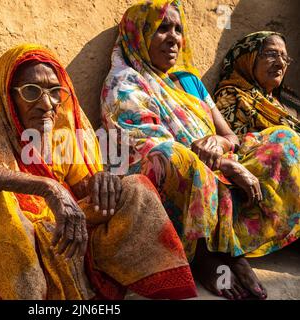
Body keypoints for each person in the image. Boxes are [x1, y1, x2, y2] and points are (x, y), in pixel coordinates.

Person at [0, 44, 197, 300]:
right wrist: (45, 187)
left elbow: (84, 193)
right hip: (10, 257)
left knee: (134, 188)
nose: (47, 104)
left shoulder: (63, 139)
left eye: (55, 92)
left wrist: (103, 184)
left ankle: (151, 289)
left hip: (60, 243)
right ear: (8, 96)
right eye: (31, 91)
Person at [101, 0, 300, 300]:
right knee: (173, 157)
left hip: (219, 166)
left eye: (178, 29)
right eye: (162, 28)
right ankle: (205, 252)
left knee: (285, 140)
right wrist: (223, 164)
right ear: (138, 34)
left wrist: (220, 144)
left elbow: (231, 136)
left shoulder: (189, 81)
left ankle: (231, 245)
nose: (173, 38)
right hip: (182, 179)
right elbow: (143, 143)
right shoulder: (125, 82)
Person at [214, 31, 300, 136]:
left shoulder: (290, 99)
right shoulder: (233, 97)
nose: (281, 63)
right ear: (247, 59)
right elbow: (238, 143)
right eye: (271, 54)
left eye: (284, 57)